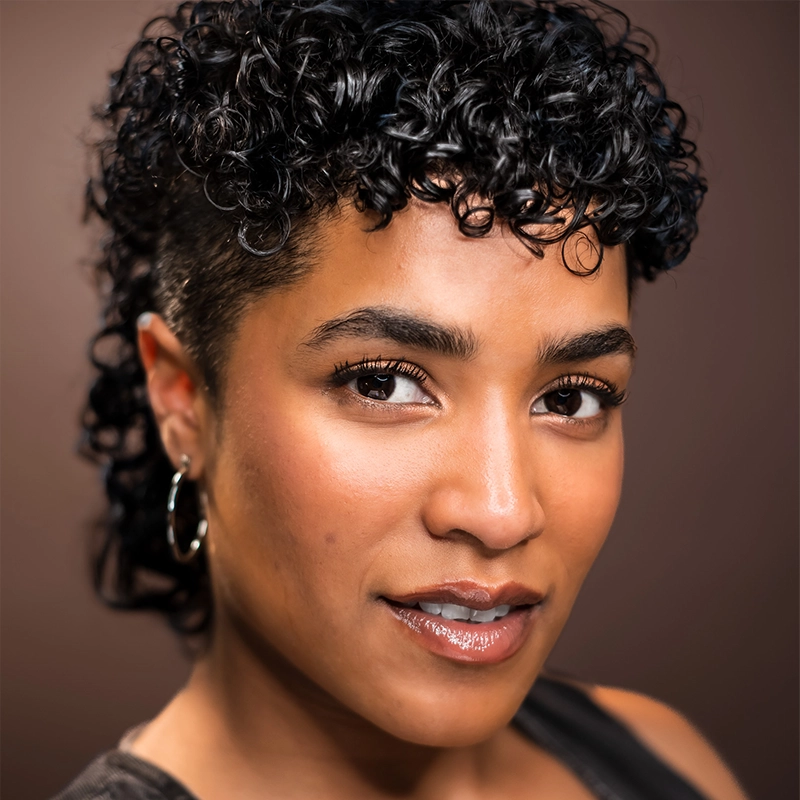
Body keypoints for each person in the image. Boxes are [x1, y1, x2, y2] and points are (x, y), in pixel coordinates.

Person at [56, 0, 748, 797]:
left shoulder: (658, 757)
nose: (502, 512)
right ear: (183, 400)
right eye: (382, 383)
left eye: (570, 399)